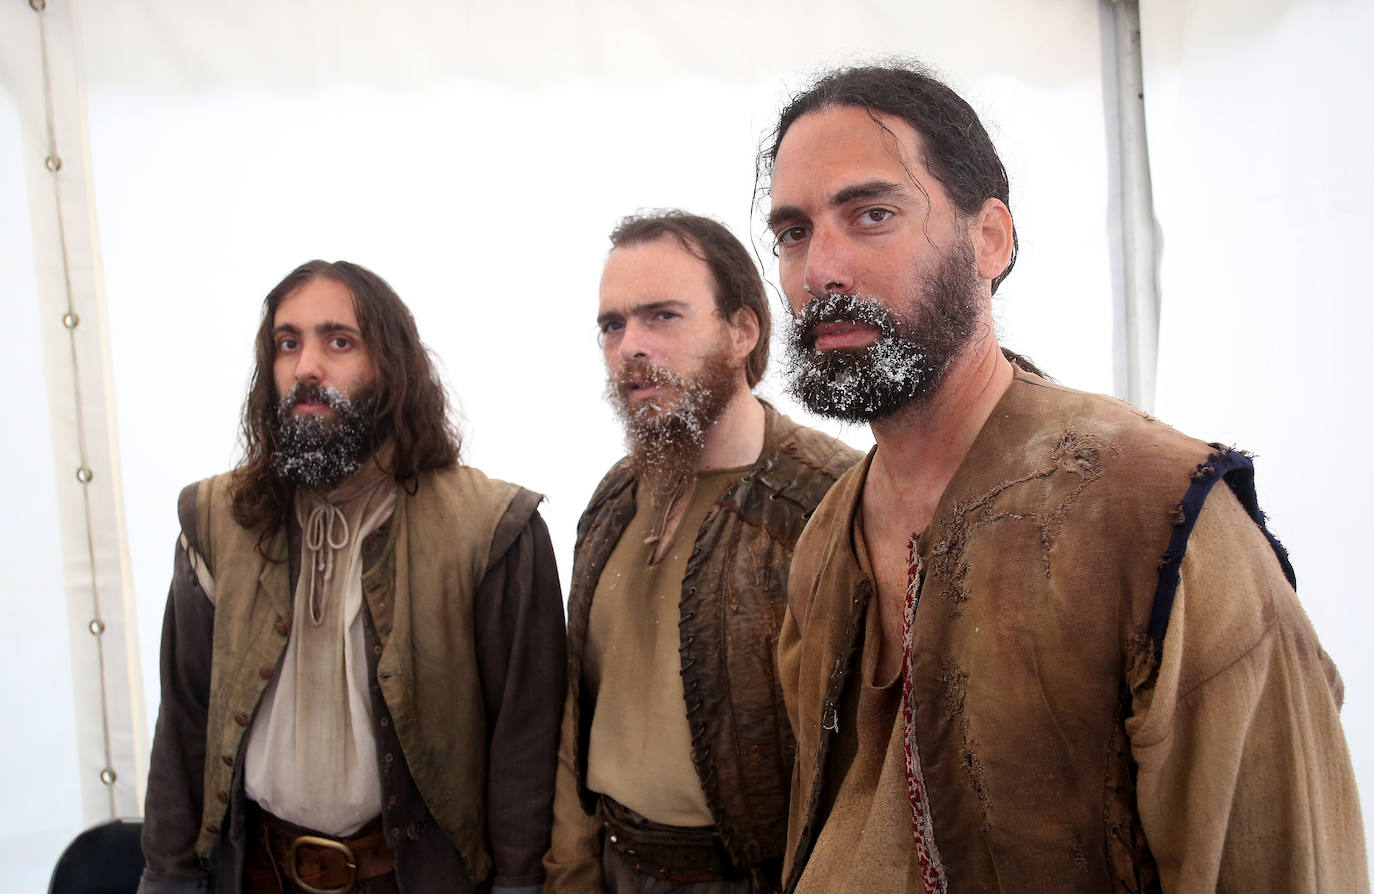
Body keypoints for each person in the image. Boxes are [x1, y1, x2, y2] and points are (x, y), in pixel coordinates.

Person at [763, 64, 1368, 892]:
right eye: (793, 232)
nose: (821, 269)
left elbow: (1284, 862)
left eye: (872, 215)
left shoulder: (1157, 515)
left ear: (990, 240)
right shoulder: (829, 532)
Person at [138, 260, 565, 893]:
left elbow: (525, 742)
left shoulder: (489, 526)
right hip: (259, 873)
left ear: (388, 365)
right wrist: (167, 876)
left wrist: (521, 884)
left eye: (339, 342)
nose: (307, 367)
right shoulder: (216, 520)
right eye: (289, 343)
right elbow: (184, 720)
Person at [543, 211, 861, 893]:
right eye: (613, 324)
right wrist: (569, 871)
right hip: (613, 865)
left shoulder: (829, 501)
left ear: (741, 331)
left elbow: (869, 766)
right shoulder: (616, 495)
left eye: (662, 317)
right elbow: (577, 707)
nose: (631, 346)